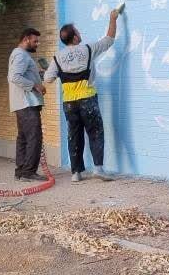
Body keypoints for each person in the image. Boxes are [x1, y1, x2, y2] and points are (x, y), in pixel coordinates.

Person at [44, 9, 119, 182]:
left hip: (69, 103)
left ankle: (76, 173)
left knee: (74, 135)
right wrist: (113, 18)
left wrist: (58, 71)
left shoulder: (57, 57)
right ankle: (98, 169)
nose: (80, 34)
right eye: (78, 32)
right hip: (88, 99)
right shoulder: (88, 49)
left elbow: (48, 79)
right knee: (95, 132)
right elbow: (109, 39)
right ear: (75, 37)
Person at [9, 28, 47, 182]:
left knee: (23, 138)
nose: (37, 44)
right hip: (27, 103)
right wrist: (35, 86)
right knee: (34, 137)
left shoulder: (20, 54)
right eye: (35, 41)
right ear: (26, 39)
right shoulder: (21, 55)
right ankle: (29, 172)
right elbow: (15, 77)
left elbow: (22, 75)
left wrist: (41, 74)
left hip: (22, 104)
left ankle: (20, 171)